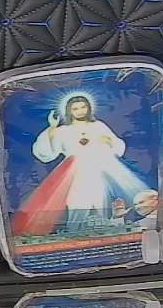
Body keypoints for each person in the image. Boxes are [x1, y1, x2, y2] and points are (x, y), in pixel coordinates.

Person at [12, 94, 154, 235]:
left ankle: (102, 232)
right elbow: (46, 153)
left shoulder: (98, 126)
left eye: (83, 107)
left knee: (100, 200)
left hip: (97, 169)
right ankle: (75, 233)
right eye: (75, 109)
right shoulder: (62, 130)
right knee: (77, 202)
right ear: (69, 111)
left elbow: (117, 147)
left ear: (89, 108)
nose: (80, 111)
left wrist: (109, 141)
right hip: (75, 172)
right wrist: (52, 129)